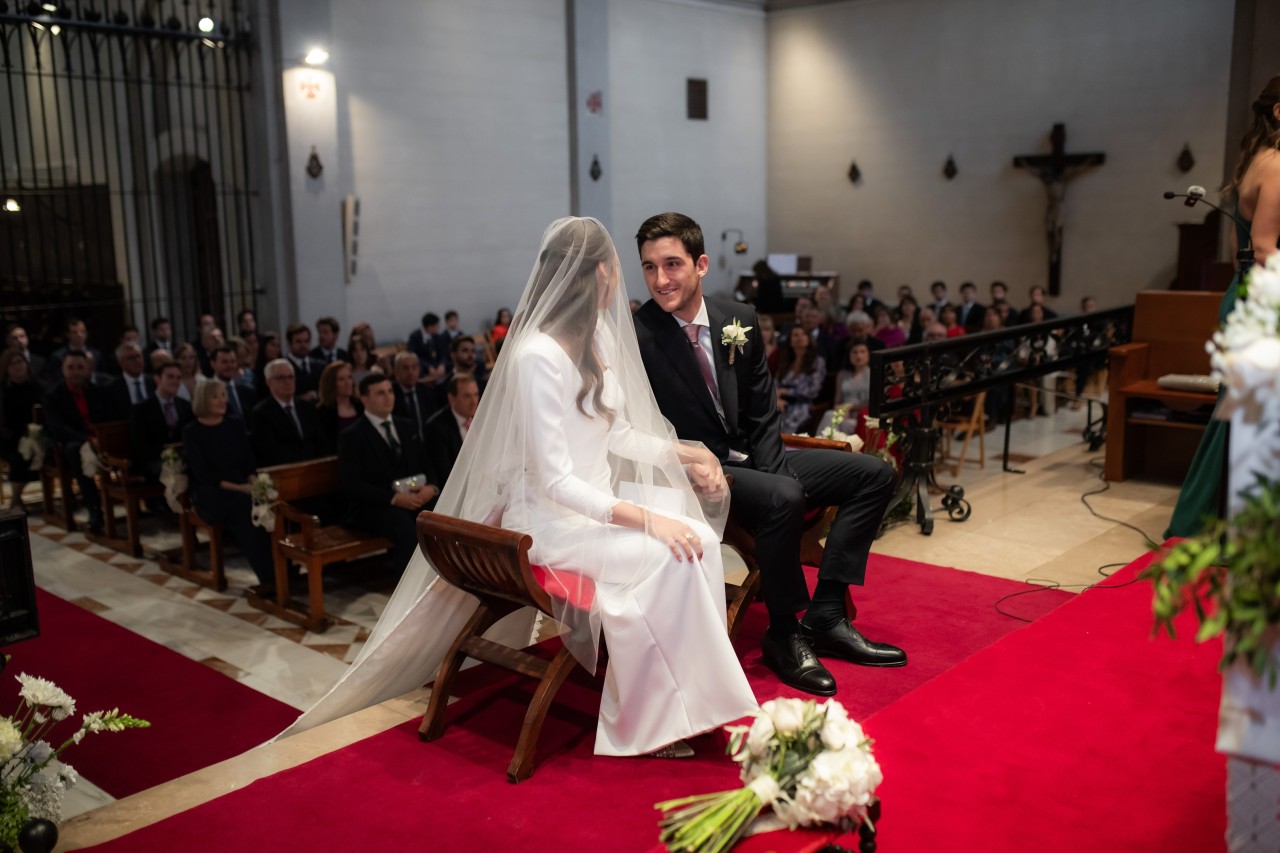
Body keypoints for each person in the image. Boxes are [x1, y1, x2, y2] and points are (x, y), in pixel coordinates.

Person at [284, 217, 756, 759]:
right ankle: (646, 721)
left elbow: (619, 433)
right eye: (616, 268)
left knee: (699, 540)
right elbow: (557, 481)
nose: (621, 278)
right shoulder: (537, 356)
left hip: (596, 508)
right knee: (673, 554)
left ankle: (695, 703)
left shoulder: (596, 337)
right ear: (597, 273)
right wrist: (648, 519)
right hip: (551, 523)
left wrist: (685, 452)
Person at [632, 212, 902, 698]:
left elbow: (761, 411)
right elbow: (638, 429)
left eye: (672, 264)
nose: (660, 279)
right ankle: (783, 631)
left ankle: (827, 614)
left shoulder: (738, 319)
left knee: (875, 475)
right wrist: (771, 485)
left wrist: (778, 474)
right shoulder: (639, 335)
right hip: (697, 475)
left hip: (758, 461)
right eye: (649, 267)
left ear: (701, 265)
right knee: (782, 497)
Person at [1167, 74, 1280, 538]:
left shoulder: (1257, 161)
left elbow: (1240, 250)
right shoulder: (1277, 165)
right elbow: (1266, 247)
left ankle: (1215, 523)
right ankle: (1228, 528)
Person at [337, 373, 440, 570]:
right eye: (380, 393)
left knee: (443, 520)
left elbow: (426, 462)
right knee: (407, 531)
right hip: (376, 505)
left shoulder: (406, 425)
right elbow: (352, 484)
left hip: (413, 495)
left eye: (390, 391)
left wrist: (432, 487)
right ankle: (409, 584)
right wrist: (393, 498)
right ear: (364, 399)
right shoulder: (352, 436)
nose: (388, 397)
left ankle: (445, 578)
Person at [183, 379, 277, 591]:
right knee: (245, 509)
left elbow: (248, 460)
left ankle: (282, 567)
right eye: (215, 397)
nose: (222, 400)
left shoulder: (234, 424)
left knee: (270, 503)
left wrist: (253, 483)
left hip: (241, 484)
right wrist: (242, 488)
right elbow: (203, 474)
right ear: (203, 400)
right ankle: (269, 576)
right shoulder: (192, 431)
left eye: (223, 395)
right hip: (213, 491)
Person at [42, 351, 110, 533]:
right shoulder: (53, 395)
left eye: (80, 367)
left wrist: (100, 437)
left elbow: (107, 417)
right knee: (76, 452)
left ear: (88, 369)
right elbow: (57, 428)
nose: (75, 372)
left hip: (99, 440)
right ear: (63, 370)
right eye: (70, 367)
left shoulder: (97, 391)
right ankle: (94, 508)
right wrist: (87, 439)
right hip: (72, 442)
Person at [249, 358, 322, 466]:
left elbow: (319, 441)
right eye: (281, 378)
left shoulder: (307, 407)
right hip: (285, 470)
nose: (287, 382)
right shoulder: (261, 414)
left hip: (314, 467)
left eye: (290, 377)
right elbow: (268, 452)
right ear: (268, 382)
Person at [130, 360, 193, 483]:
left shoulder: (185, 406)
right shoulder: (141, 409)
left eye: (178, 378)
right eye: (170, 377)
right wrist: (167, 453)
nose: (175, 381)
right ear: (157, 379)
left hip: (183, 457)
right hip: (153, 460)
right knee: (175, 470)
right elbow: (140, 445)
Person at [0, 351, 44, 505]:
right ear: (6, 368)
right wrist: (19, 436)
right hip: (10, 437)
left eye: (20, 361)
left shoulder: (39, 386)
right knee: (21, 456)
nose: (17, 366)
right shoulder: (3, 391)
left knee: (49, 451)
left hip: (38, 434)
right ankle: (16, 498)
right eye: (12, 364)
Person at [423, 373, 479, 484]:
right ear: (452, 398)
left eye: (476, 395)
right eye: (467, 396)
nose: (474, 401)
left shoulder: (482, 418)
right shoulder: (436, 428)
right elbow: (445, 473)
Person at [775, 325, 826, 435]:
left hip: (802, 404)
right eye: (795, 335)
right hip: (781, 403)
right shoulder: (786, 361)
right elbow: (775, 384)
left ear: (809, 338)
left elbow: (813, 390)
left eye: (803, 334)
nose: (800, 338)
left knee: (786, 425)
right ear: (790, 341)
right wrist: (776, 399)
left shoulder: (817, 362)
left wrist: (786, 391)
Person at [815, 339, 872, 437]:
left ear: (868, 354)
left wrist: (851, 406)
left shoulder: (874, 374)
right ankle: (821, 444)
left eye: (862, 352)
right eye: (855, 352)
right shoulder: (842, 374)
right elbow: (837, 402)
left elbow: (873, 404)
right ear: (849, 355)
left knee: (832, 421)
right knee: (830, 415)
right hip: (844, 416)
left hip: (863, 418)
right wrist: (840, 409)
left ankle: (821, 444)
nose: (859, 356)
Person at [316, 360, 364, 454]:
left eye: (349, 377)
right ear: (331, 384)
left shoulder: (361, 406)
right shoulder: (323, 412)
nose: (348, 383)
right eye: (341, 379)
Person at [211, 344, 256, 422]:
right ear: (213, 364)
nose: (230, 366)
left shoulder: (248, 391)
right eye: (224, 362)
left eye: (233, 361)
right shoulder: (207, 393)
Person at [284, 323, 322, 401]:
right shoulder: (282, 367)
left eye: (306, 341)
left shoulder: (320, 366)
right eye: (298, 342)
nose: (303, 345)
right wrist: (300, 399)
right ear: (289, 344)